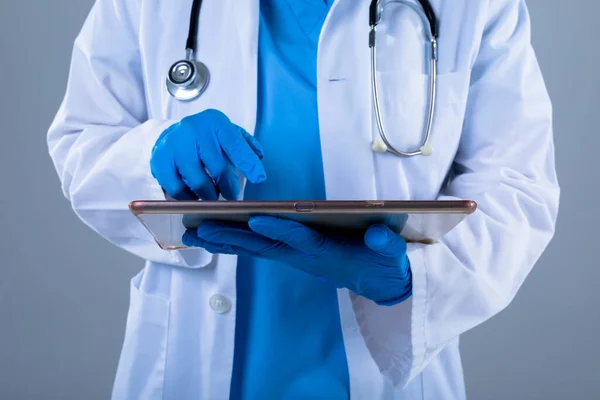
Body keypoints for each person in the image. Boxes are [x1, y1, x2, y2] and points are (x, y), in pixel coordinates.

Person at [47, 0, 559, 398]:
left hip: (380, 371)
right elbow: (83, 139)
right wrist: (154, 154)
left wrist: (414, 280)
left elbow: (517, 183)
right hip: (191, 356)